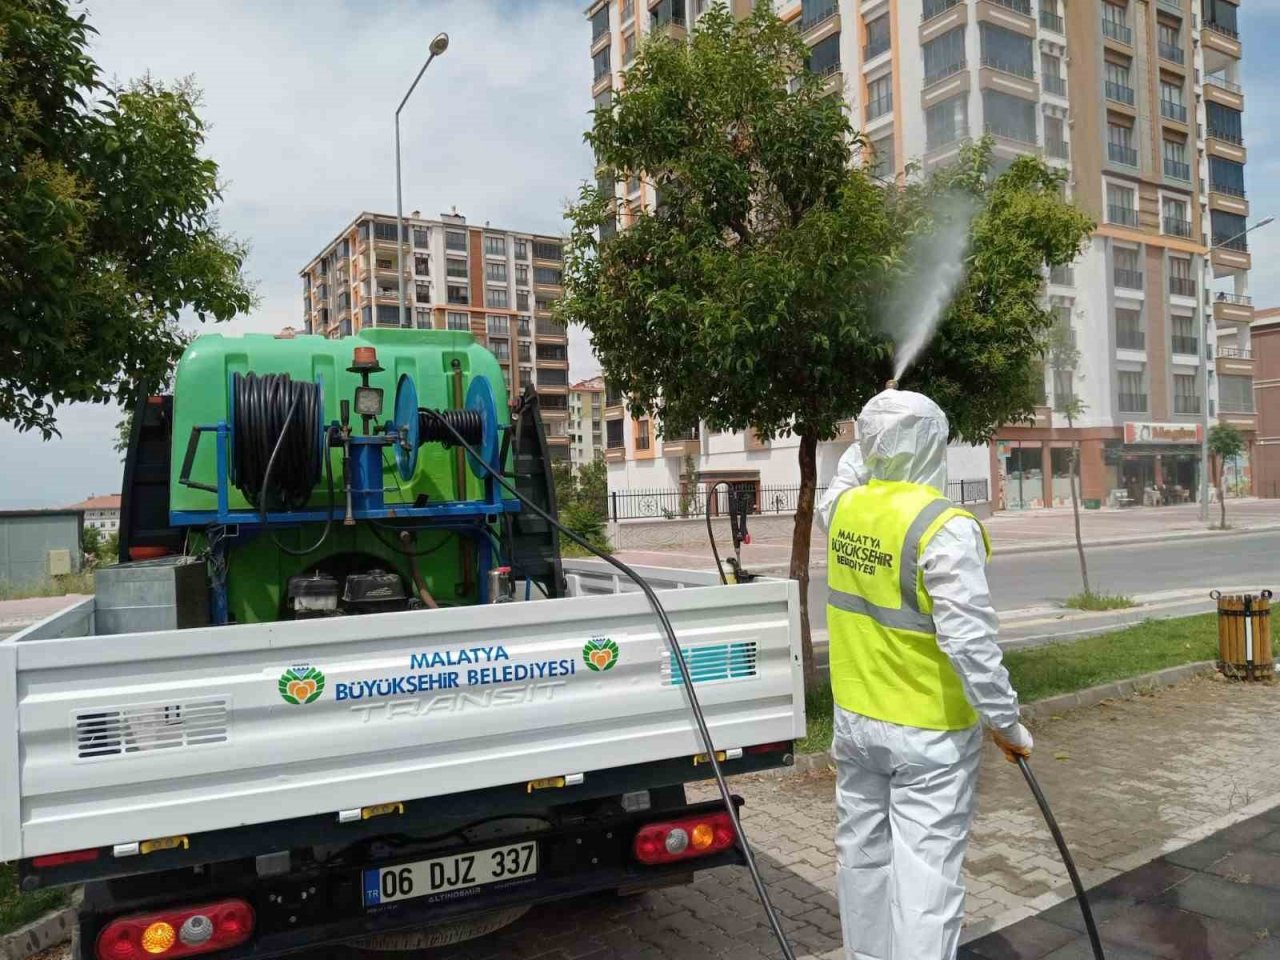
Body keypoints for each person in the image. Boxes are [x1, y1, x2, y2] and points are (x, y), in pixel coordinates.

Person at [816, 388, 1033, 960]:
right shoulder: (944, 525)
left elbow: (848, 470)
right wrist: (1006, 724)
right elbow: (970, 642)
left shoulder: (843, 510)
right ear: (934, 443)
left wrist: (872, 427)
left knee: (861, 860)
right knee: (926, 881)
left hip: (856, 722)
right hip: (929, 734)